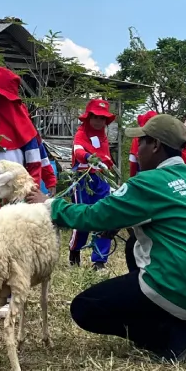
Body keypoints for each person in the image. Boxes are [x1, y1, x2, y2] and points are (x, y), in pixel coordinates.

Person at [25, 114, 186, 363]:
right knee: (133, 244)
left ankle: (173, 333)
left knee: (85, 307)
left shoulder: (148, 182)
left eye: (142, 142)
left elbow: (94, 215)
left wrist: (50, 205)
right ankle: (181, 315)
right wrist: (120, 223)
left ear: (156, 145)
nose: (137, 149)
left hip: (185, 290)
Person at [0, 66, 55, 319]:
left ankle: (8, 297)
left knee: (14, 248)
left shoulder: (24, 127)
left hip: (15, 200)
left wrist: (30, 195)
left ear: (4, 93)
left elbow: (34, 164)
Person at [0, 67, 55, 229]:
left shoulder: (25, 126)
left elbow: (37, 162)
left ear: (3, 93)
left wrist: (42, 186)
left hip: (16, 196)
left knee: (15, 236)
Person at [69, 98, 116, 271]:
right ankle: (75, 251)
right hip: (83, 180)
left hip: (102, 179)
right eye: (95, 117)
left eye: (102, 118)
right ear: (88, 117)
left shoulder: (103, 136)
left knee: (104, 216)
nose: (98, 121)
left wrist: (107, 164)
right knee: (84, 217)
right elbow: (78, 150)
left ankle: (99, 260)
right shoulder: (81, 133)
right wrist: (88, 157)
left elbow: (107, 157)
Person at [128, 110, 158, 177]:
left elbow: (133, 162)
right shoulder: (163, 138)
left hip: (142, 175)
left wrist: (132, 178)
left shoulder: (137, 138)